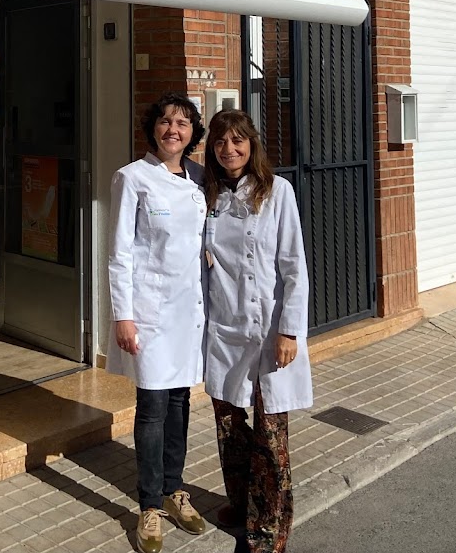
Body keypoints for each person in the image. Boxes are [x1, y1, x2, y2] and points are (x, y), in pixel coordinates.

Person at [203, 109, 312, 553]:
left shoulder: (277, 191)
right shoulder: (208, 196)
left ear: (252, 144)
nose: (229, 149)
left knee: (270, 434)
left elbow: (294, 267)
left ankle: (268, 530)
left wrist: (289, 331)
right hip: (225, 327)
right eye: (220, 142)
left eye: (237, 140)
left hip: (269, 329)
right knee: (229, 425)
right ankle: (242, 501)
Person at [106, 92, 209, 553]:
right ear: (153, 128)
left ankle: (174, 489)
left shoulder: (200, 178)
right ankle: (149, 504)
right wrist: (123, 315)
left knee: (181, 401)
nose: (173, 130)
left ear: (192, 133)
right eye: (166, 121)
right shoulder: (132, 178)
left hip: (189, 311)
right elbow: (119, 253)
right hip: (149, 311)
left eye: (183, 123)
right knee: (151, 406)